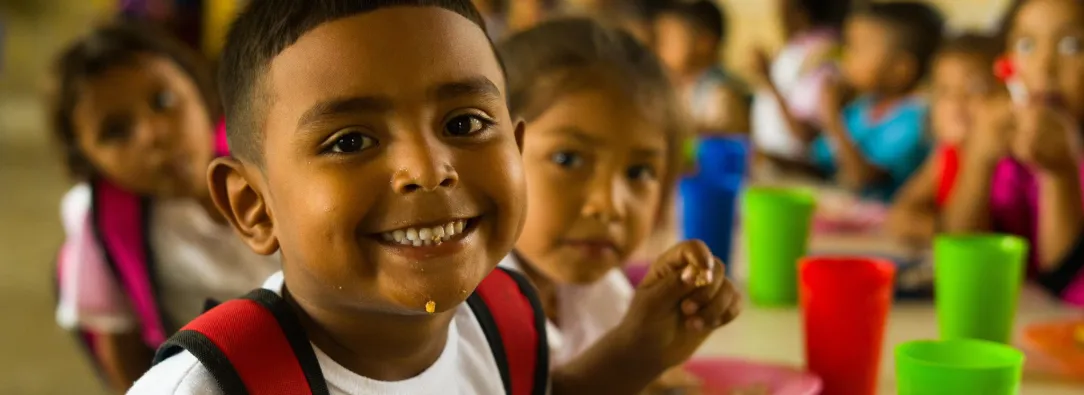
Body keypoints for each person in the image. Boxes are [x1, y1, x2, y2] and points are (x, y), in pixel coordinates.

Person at [129, 1, 741, 394]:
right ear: (252, 206)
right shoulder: (214, 387)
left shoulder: (505, 320)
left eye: (465, 124)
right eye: (350, 140)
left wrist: (633, 356)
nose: (428, 170)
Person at [49, 21, 278, 392]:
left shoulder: (266, 157)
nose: (154, 135)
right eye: (116, 131)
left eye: (164, 101)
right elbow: (118, 343)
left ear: (200, 90)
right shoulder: (107, 231)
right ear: (88, 162)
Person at [497, 18, 718, 393]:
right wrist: (633, 355)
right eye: (568, 159)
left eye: (639, 171)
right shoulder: (459, 313)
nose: (609, 206)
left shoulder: (595, 289)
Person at [943, 0, 1084, 306]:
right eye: (1027, 44)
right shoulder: (1014, 154)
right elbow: (963, 250)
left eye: (1073, 45)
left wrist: (1060, 174)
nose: (1045, 65)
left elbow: (1061, 283)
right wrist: (979, 160)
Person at [810, 2, 943, 201]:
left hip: (883, 226)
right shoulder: (865, 106)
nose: (846, 57)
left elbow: (862, 178)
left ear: (900, 69)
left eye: (858, 48)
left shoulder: (916, 120)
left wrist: (832, 117)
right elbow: (822, 163)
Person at [887, 34, 1001, 244]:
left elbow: (964, 238)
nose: (957, 101)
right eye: (945, 91)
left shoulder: (1004, 162)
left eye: (976, 88)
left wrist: (939, 229)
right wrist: (941, 229)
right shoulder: (947, 153)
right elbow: (900, 214)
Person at [750, 0, 850, 169]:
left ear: (799, 11)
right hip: (782, 161)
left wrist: (768, 79)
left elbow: (804, 134)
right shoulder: (799, 49)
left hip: (798, 167)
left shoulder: (821, 55)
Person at [653, 0, 750, 135]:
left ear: (704, 42)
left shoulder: (721, 94)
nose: (661, 49)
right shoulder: (675, 88)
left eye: (671, 40)